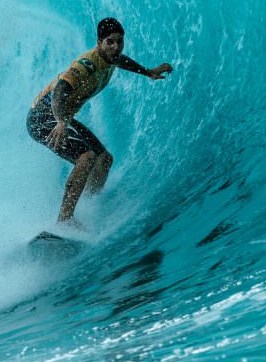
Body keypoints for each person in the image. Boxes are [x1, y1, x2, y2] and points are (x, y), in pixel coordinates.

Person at [27, 17, 173, 227]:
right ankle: (64, 220)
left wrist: (148, 72)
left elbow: (121, 61)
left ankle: (88, 206)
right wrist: (60, 121)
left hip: (61, 117)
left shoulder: (111, 59)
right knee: (85, 158)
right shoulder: (86, 64)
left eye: (119, 41)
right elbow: (59, 90)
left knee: (104, 159)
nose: (116, 47)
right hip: (42, 116)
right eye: (110, 42)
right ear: (99, 43)